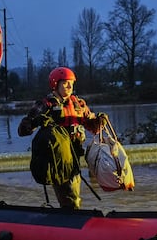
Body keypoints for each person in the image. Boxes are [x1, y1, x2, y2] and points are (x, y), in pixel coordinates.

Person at [18, 66, 107, 210]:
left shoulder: (79, 104)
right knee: (70, 201)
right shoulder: (45, 104)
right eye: (65, 82)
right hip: (56, 159)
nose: (69, 86)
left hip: (75, 158)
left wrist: (99, 121)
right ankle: (71, 224)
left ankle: (69, 221)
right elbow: (22, 131)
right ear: (55, 84)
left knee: (75, 198)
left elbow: (93, 128)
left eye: (71, 82)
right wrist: (36, 121)